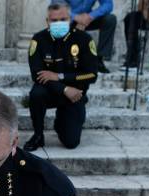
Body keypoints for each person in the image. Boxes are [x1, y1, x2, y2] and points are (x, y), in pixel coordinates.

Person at [24, 1, 98, 152]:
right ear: (47, 21)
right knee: (36, 94)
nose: (59, 23)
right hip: (50, 91)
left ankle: (62, 122)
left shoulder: (84, 39)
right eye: (54, 20)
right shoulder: (39, 39)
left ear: (70, 19)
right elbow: (37, 75)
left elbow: (92, 75)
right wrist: (64, 88)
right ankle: (38, 135)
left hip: (75, 95)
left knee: (71, 142)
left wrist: (60, 76)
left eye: (63, 19)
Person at [61, 0, 114, 73]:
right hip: (69, 18)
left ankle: (99, 60)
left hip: (87, 19)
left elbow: (108, 4)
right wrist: (76, 17)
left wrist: (90, 16)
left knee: (110, 19)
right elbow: (56, 6)